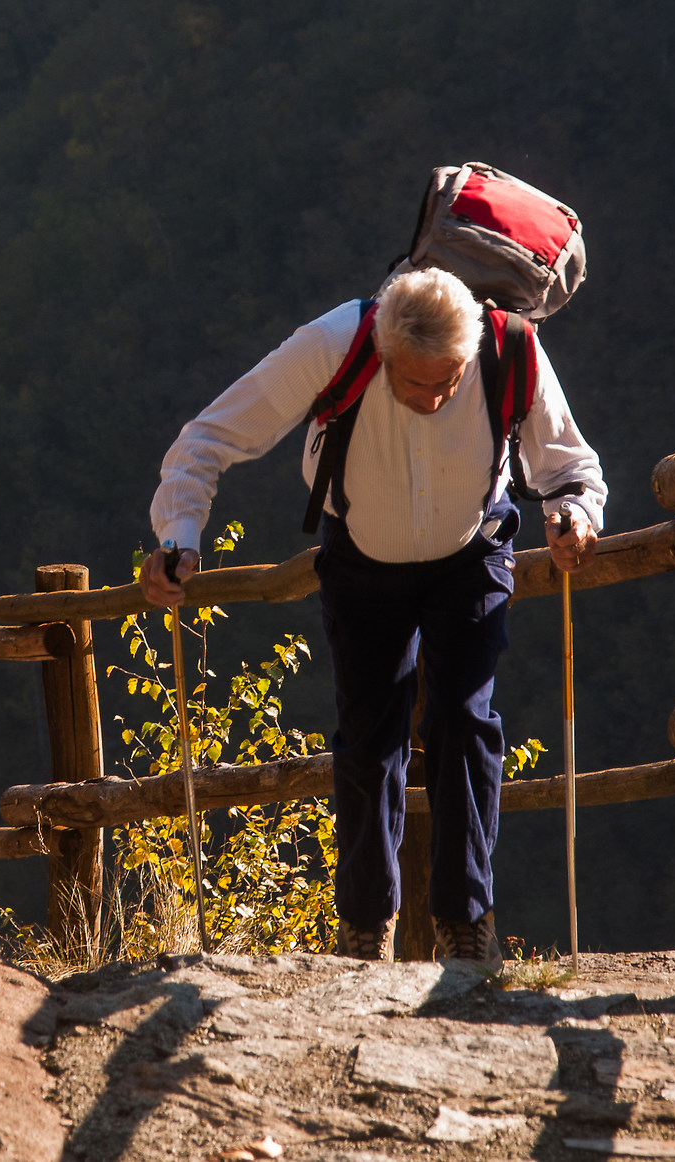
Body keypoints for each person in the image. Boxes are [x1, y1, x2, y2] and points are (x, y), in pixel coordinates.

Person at [139, 266, 606, 962]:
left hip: (469, 549)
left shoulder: (508, 350)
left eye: (447, 380)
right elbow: (209, 437)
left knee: (464, 720)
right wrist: (179, 536)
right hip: (362, 559)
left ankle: (465, 924)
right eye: (413, 382)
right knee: (369, 733)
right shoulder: (335, 343)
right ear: (381, 352)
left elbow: (570, 467)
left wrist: (573, 516)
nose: (432, 396)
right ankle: (364, 925)